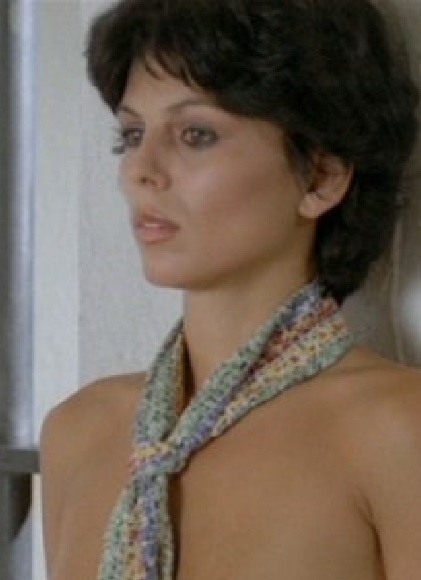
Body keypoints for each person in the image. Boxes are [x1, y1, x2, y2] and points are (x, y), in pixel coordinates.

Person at [40, 0, 421, 579]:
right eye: (132, 134)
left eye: (196, 134)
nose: (142, 169)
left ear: (321, 177)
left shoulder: (396, 429)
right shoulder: (78, 433)